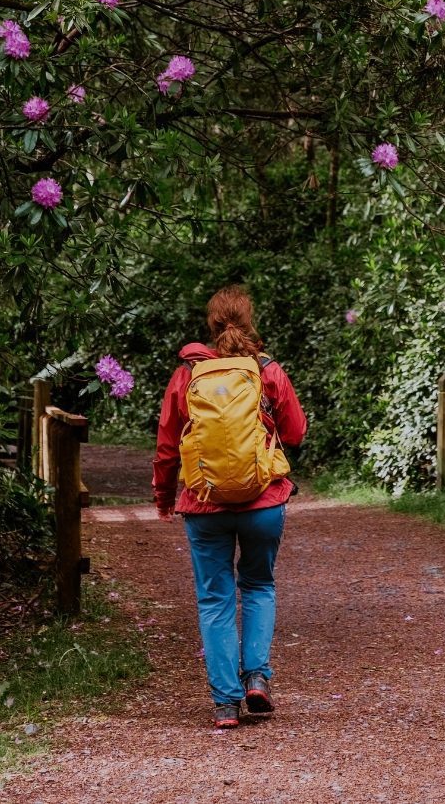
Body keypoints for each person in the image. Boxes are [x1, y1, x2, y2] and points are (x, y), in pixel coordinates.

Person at [152, 284, 307, 729]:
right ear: (249, 320)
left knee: (214, 598)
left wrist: (165, 498)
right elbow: (295, 433)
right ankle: (256, 677)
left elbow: (167, 446)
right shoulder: (266, 370)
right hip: (264, 502)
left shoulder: (188, 375)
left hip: (203, 504)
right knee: (258, 586)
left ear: (211, 323)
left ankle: (225, 703)